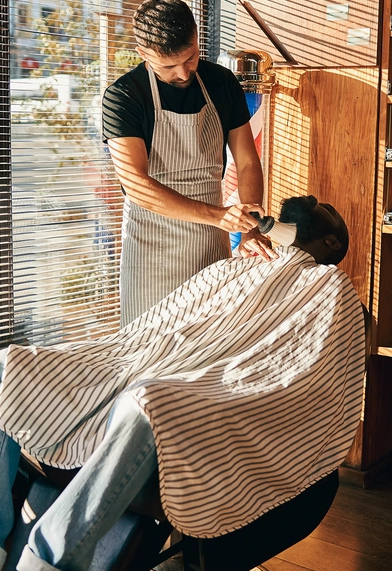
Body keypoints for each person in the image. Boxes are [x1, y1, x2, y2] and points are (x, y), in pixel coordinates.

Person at [0, 195, 361, 571]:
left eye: (323, 210)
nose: (312, 203)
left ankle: (50, 564)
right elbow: (155, 328)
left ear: (331, 244)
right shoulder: (243, 264)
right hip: (139, 362)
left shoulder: (334, 288)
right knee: (5, 365)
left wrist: (179, 377)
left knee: (146, 399)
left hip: (207, 389)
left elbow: (304, 370)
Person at [102, 0, 274, 327]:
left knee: (206, 350)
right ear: (143, 52)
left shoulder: (222, 84)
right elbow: (138, 187)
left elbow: (248, 160)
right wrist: (220, 216)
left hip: (211, 249)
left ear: (197, 38)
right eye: (169, 66)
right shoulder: (123, 97)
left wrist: (250, 223)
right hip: (152, 257)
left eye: (191, 56)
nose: (184, 73)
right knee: (148, 355)